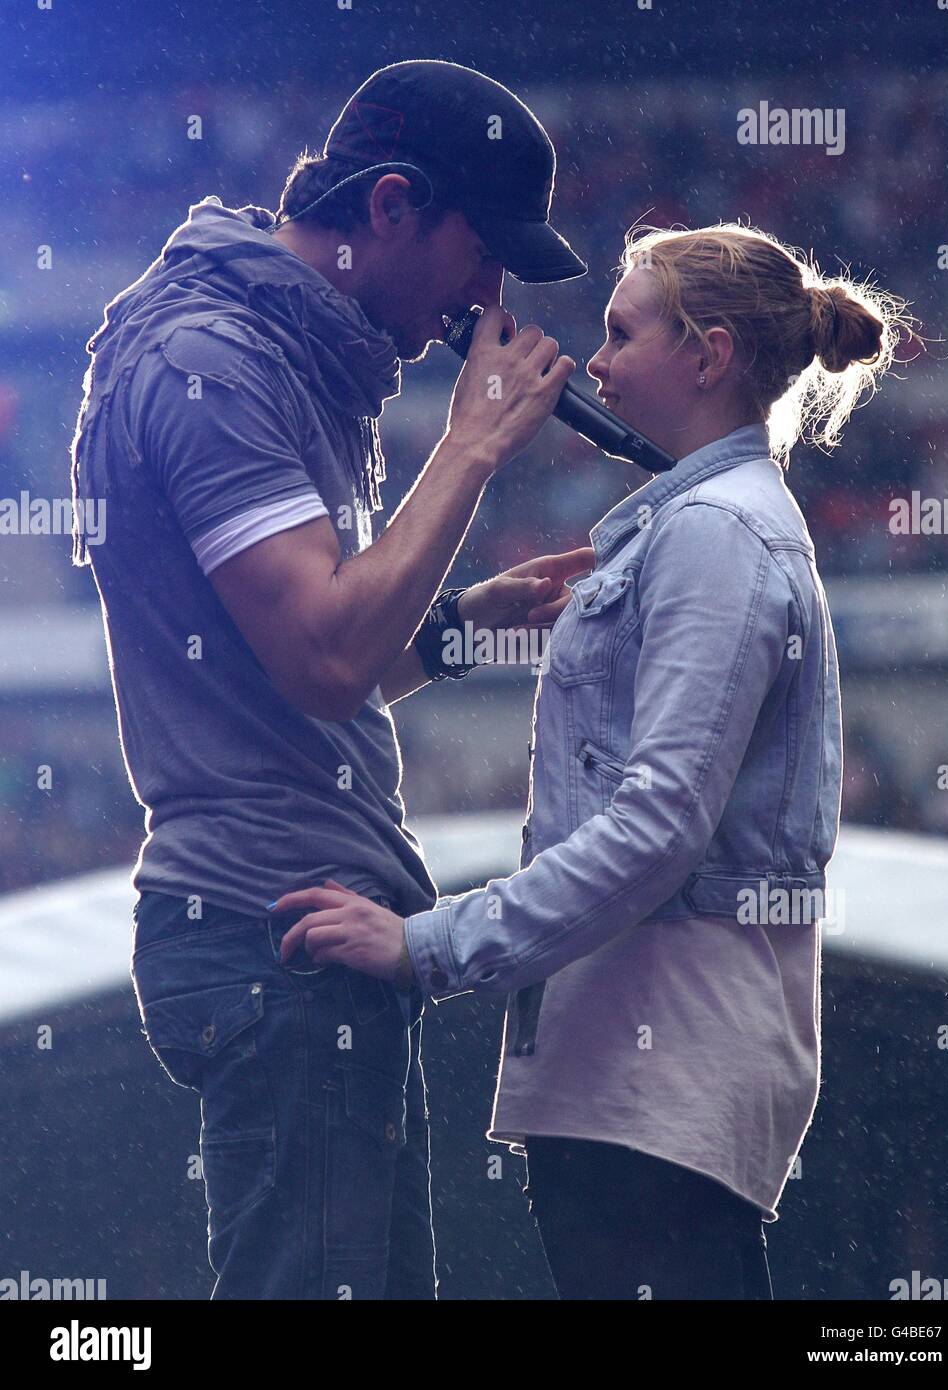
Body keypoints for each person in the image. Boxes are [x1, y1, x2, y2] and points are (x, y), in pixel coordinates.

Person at [272, 221, 911, 1299]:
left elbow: (657, 827)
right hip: (637, 1083)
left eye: (619, 334)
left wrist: (423, 946)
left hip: (652, 1083)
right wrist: (464, 632)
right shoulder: (704, 523)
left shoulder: (717, 533)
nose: (593, 363)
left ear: (707, 356)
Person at [68, 58, 592, 1300]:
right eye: (481, 251)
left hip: (301, 930)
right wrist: (469, 445)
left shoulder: (277, 349)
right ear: (393, 208)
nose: (488, 294)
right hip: (274, 936)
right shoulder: (213, 362)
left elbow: (300, 682)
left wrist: (458, 626)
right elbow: (320, 659)